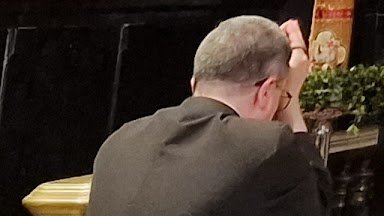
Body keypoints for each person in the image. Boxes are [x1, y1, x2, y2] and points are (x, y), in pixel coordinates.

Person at [87, 15, 327, 216]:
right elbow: (319, 203)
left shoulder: (120, 141)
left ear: (194, 84)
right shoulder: (268, 146)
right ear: (265, 93)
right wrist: (290, 101)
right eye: (279, 96)